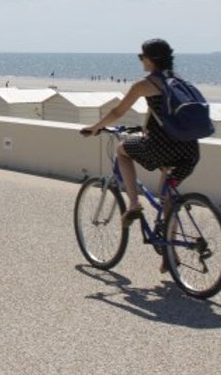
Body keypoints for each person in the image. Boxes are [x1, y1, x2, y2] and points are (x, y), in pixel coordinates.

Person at [81, 38, 200, 271]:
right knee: (169, 198)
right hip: (189, 150)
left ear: (150, 59)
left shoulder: (146, 84)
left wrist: (96, 127)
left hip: (163, 148)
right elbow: (162, 115)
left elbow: (118, 111)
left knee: (121, 151)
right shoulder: (180, 82)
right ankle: (169, 254)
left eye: (141, 56)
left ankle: (134, 204)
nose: (140, 60)